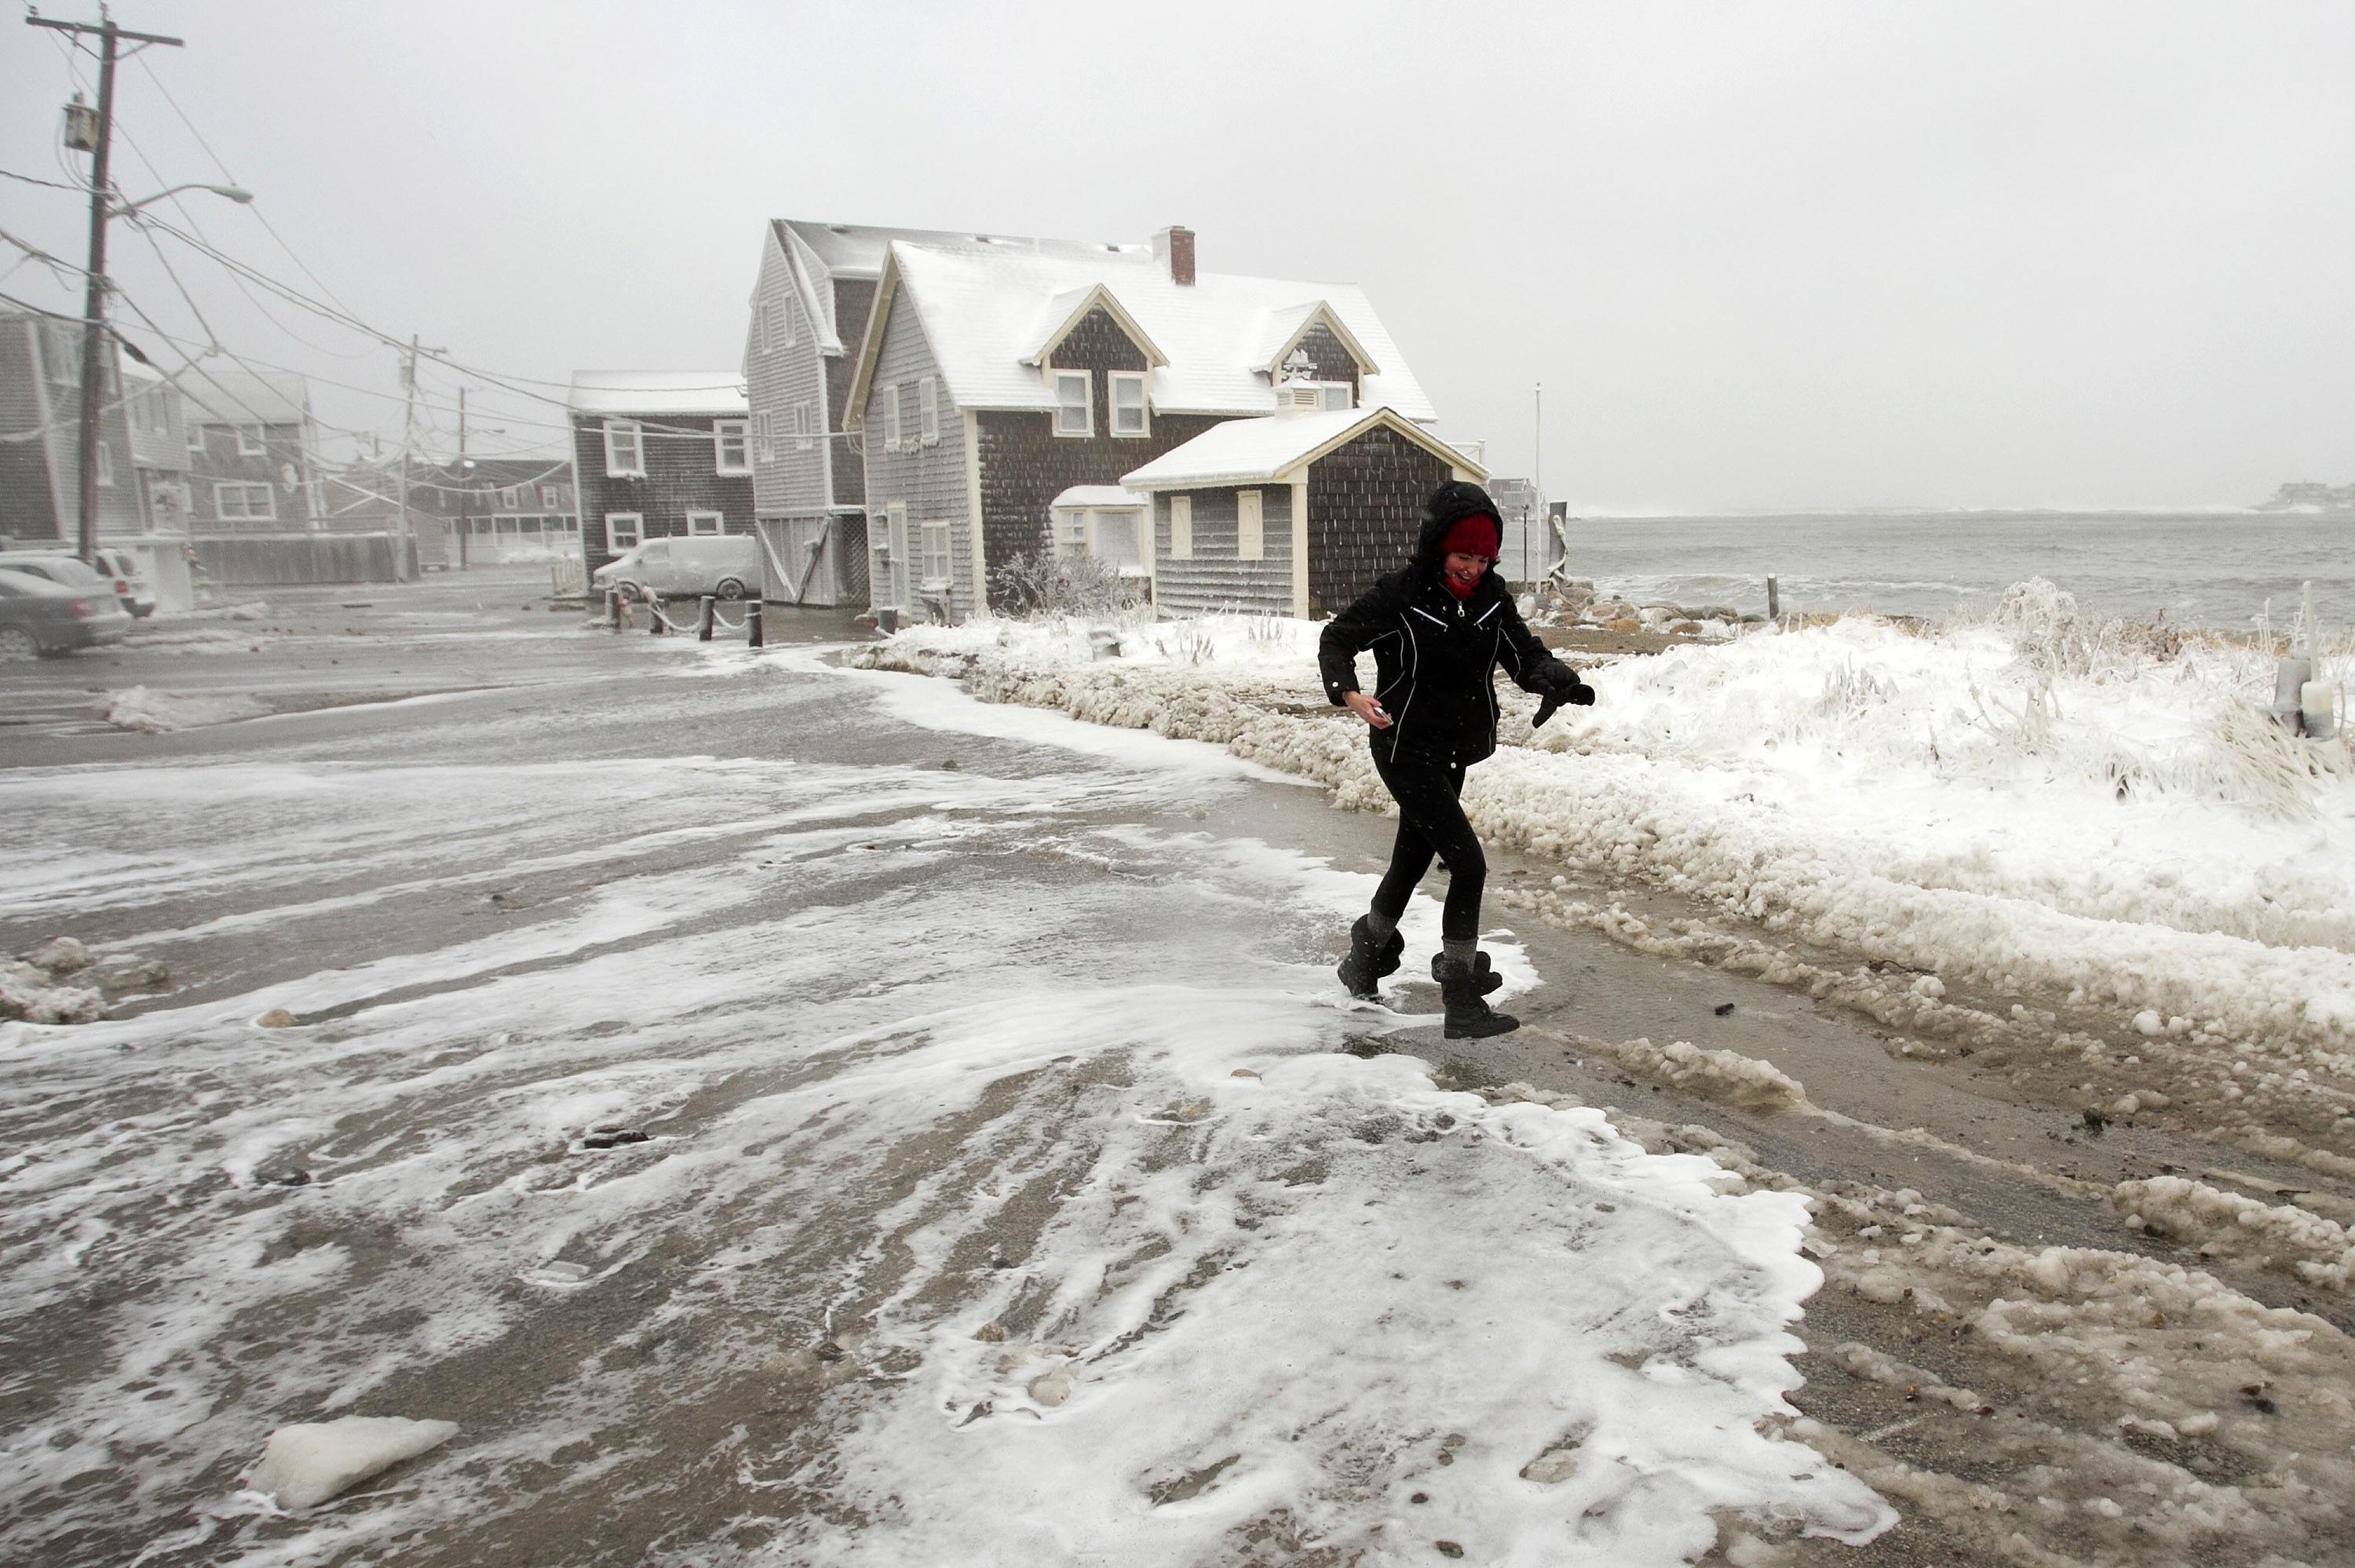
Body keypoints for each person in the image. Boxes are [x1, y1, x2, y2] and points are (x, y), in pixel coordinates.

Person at [1317, 480, 1594, 1038]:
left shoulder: (1493, 599)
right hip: (1401, 744)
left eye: (1482, 558)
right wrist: (1349, 693)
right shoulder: (1402, 594)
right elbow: (1337, 638)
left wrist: (1556, 679)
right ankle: (1461, 997)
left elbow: (1524, 655)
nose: (1471, 568)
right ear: (1439, 548)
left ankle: (1365, 961)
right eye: (1462, 555)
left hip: (1453, 750)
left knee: (1411, 861)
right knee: (1468, 864)